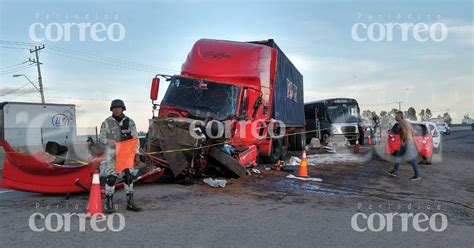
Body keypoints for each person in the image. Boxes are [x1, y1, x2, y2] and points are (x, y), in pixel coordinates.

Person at [99, 99, 142, 213]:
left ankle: (130, 203)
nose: (116, 109)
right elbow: (101, 138)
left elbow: (135, 139)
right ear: (111, 109)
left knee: (128, 177)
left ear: (123, 109)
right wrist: (108, 141)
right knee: (111, 178)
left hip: (126, 154)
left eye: (119, 107)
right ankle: (109, 203)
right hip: (112, 155)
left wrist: (137, 154)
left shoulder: (130, 122)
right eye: (114, 108)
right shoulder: (107, 122)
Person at [388, 111, 421, 180]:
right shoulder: (406, 122)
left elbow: (403, 131)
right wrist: (411, 138)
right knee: (398, 156)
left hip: (406, 143)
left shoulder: (400, 123)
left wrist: (403, 140)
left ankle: (417, 175)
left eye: (396, 116)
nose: (395, 117)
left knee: (412, 158)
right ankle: (394, 171)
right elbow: (413, 131)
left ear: (400, 116)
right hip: (409, 141)